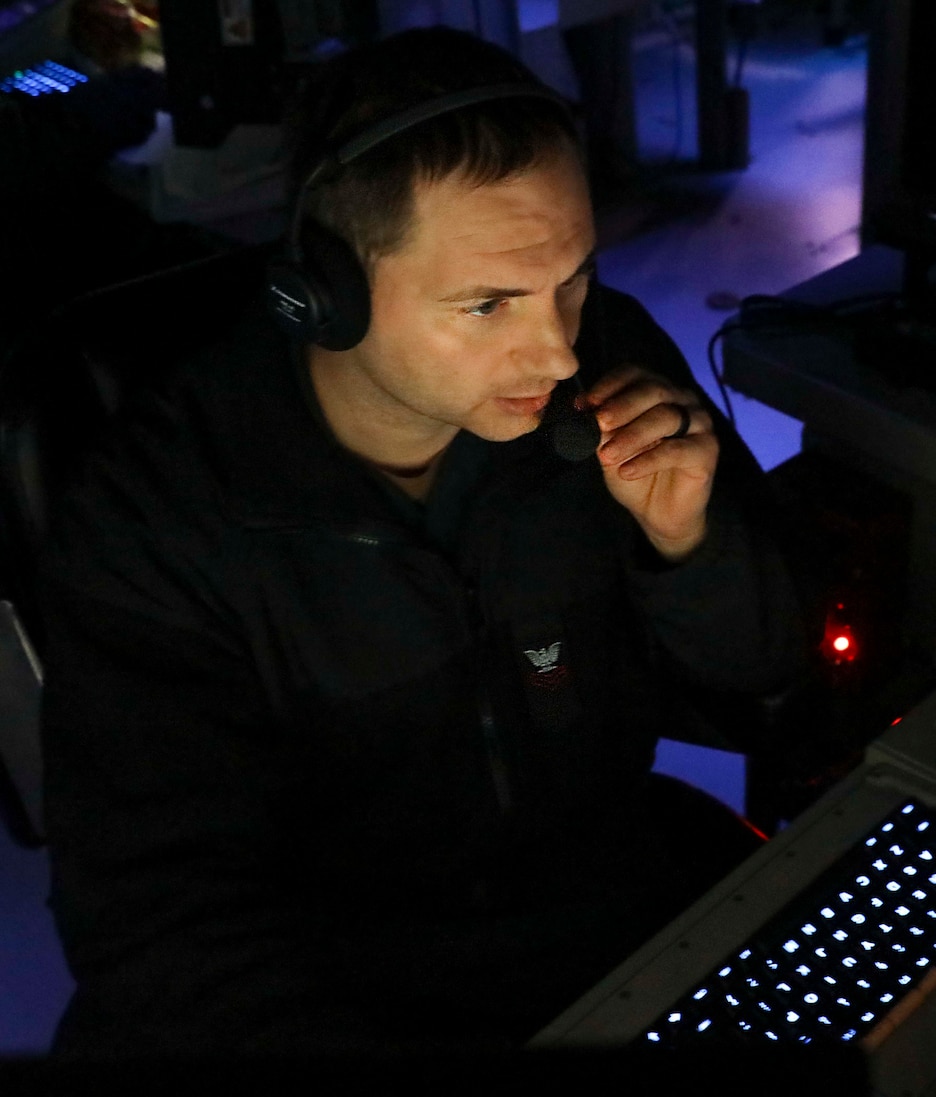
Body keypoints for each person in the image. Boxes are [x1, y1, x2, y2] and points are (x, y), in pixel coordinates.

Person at [37, 28, 802, 1058]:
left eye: (572, 278)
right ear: (324, 293)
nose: (558, 347)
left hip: (599, 916)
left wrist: (686, 544)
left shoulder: (606, 364)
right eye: (487, 304)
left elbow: (762, 670)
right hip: (351, 987)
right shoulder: (162, 512)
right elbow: (162, 930)